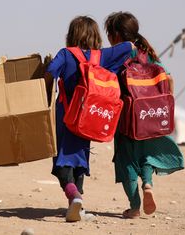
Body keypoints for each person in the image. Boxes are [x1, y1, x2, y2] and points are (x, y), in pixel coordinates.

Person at [45, 15, 133, 222]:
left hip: (65, 116)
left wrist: (47, 85)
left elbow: (50, 72)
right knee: (79, 159)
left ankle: (73, 195)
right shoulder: (101, 56)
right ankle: (77, 207)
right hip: (88, 117)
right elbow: (129, 47)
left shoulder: (66, 54)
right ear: (95, 36)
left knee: (61, 161)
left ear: (71, 35)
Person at [104, 11, 185, 219]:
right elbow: (168, 78)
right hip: (150, 116)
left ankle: (134, 207)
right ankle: (148, 184)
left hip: (127, 120)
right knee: (146, 157)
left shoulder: (120, 55)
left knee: (127, 161)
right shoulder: (148, 53)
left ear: (116, 34)